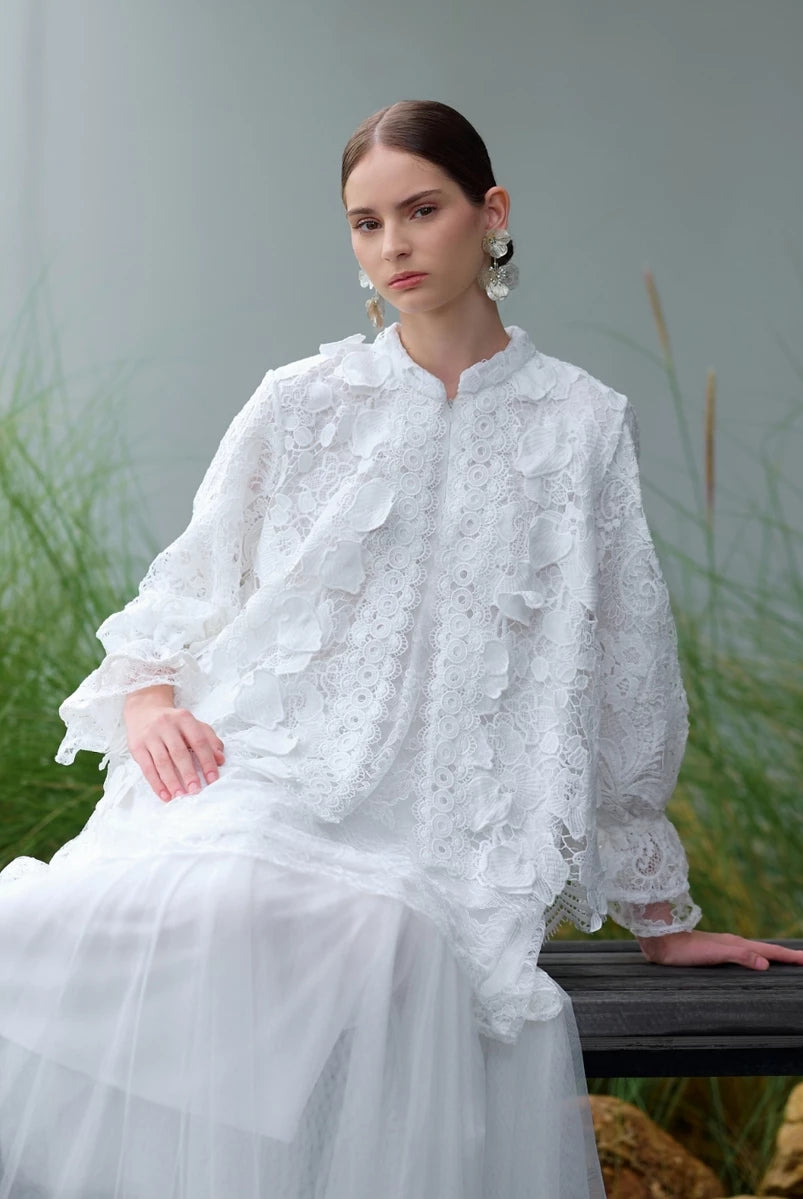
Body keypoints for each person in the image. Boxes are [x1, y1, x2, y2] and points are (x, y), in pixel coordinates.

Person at [1, 98, 800, 1199]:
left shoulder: (579, 422)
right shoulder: (301, 402)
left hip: (446, 827)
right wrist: (145, 701)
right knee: (151, 905)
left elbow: (626, 668)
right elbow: (190, 580)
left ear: (489, 212)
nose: (393, 247)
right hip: (263, 768)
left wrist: (662, 920)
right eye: (365, 223)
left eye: (420, 210)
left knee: (383, 937)